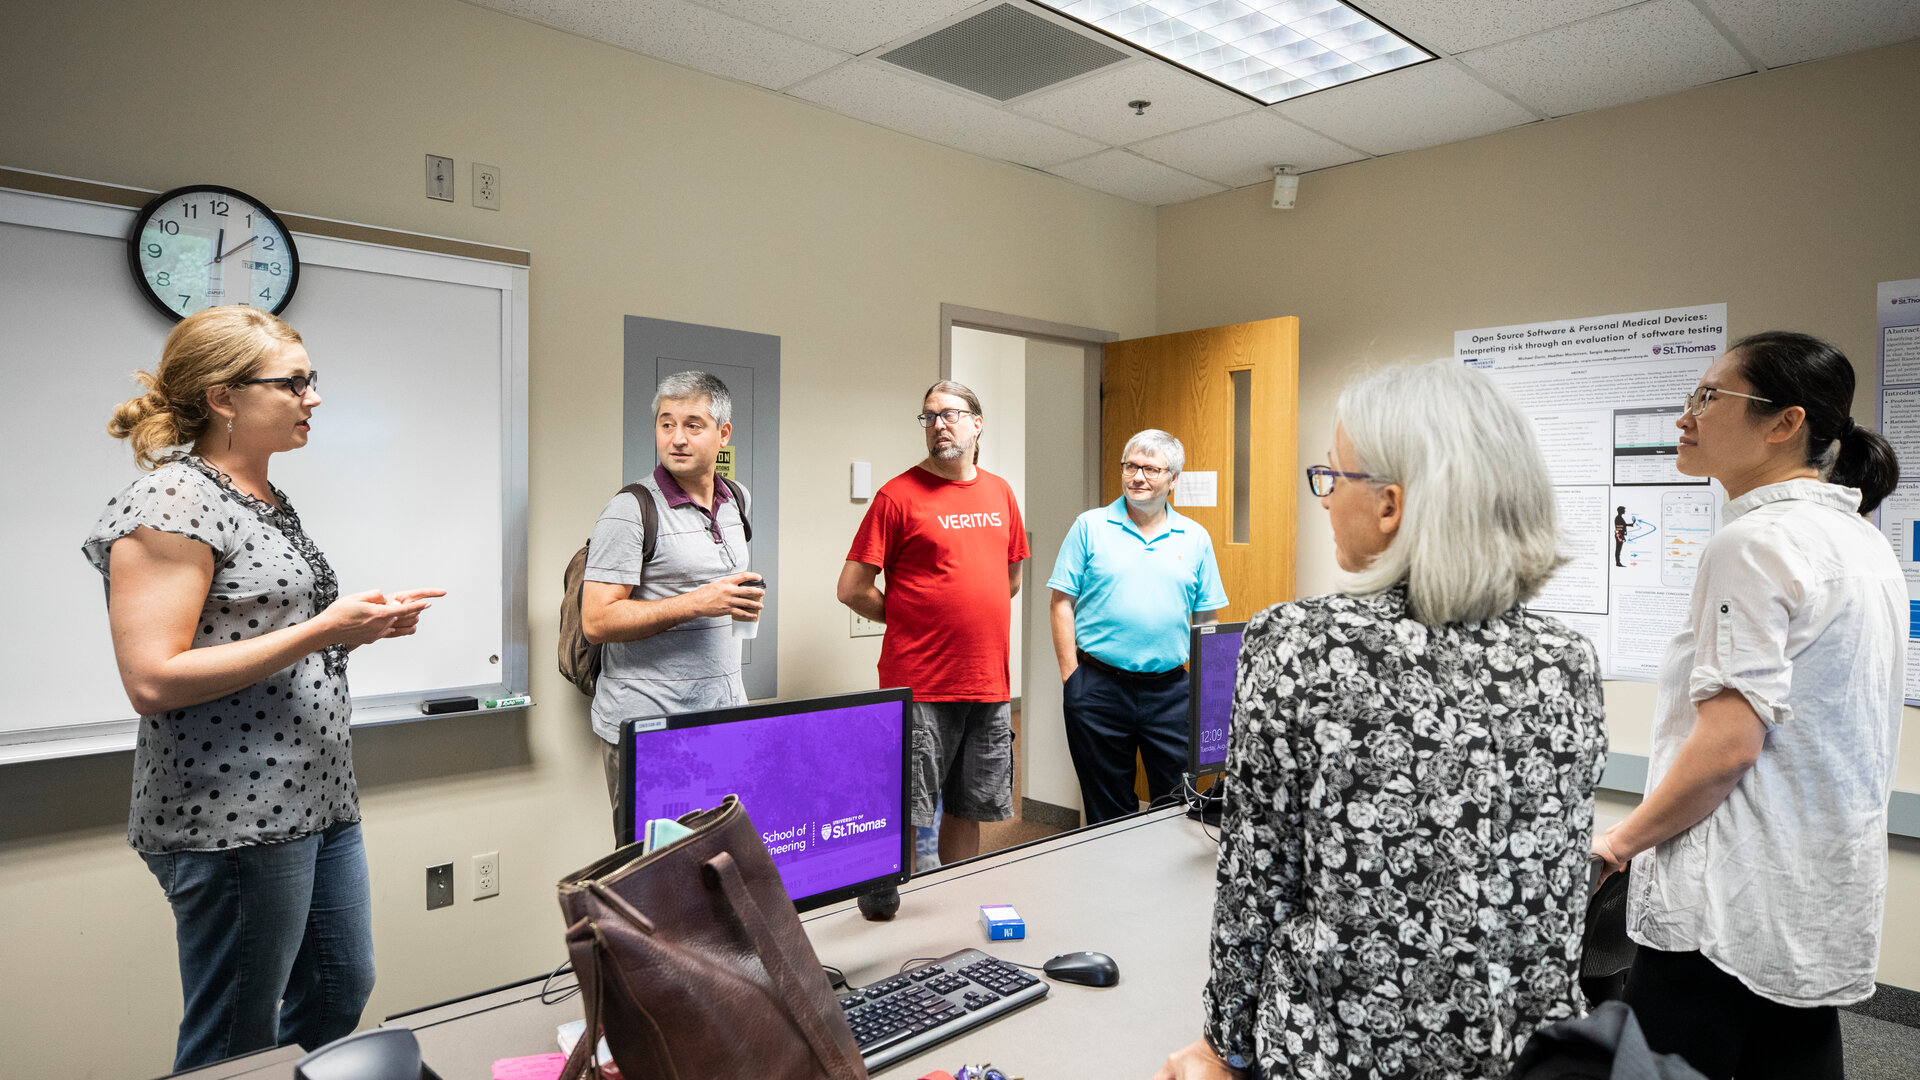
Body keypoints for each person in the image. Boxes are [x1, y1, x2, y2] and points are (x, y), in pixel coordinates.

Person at [1155, 360, 1608, 1080]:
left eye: (1332, 477)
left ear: (1391, 505)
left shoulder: (1301, 642)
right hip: (1520, 1054)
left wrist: (1224, 1046)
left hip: (1343, 1051)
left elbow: (1259, 880)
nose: (1326, 500)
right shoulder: (1568, 659)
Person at [83, 306, 443, 1071]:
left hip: (318, 798)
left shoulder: (261, 496)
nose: (313, 398)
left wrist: (352, 631)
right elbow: (152, 678)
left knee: (339, 988)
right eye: (294, 383)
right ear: (224, 397)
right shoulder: (172, 502)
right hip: (233, 817)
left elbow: (257, 636)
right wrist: (320, 630)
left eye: (312, 381)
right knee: (234, 1040)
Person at [1591, 332, 1903, 1080]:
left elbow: (1728, 745)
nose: (1685, 417)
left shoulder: (1754, 543)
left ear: (1785, 423)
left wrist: (1617, 845)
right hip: (1810, 889)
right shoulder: (1860, 541)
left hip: (1723, 903)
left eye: (1708, 397)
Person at [837, 380, 1029, 866]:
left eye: (950, 414)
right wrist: (912, 617)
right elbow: (852, 588)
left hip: (987, 682)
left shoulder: (1000, 492)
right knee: (908, 810)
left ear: (977, 424)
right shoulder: (897, 496)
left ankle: (954, 898)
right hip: (921, 681)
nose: (938, 424)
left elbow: (1010, 578)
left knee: (969, 808)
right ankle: (898, 900)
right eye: (929, 416)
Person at [580, 370, 762, 831]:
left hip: (722, 719)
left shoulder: (737, 499)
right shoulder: (630, 510)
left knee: (721, 856)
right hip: (650, 729)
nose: (676, 438)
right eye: (666, 424)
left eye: (692, 425)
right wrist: (697, 602)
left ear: (723, 434)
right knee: (656, 865)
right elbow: (596, 621)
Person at [1047, 428, 1227, 825]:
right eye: (1131, 466)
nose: (1138, 477)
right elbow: (1061, 603)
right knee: (1107, 810)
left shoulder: (1195, 537)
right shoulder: (1090, 526)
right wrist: (1071, 679)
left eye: (1150, 469)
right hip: (1097, 688)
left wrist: (1208, 693)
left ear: (1173, 479)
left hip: (1171, 692)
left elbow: (1207, 619)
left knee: (1179, 803)